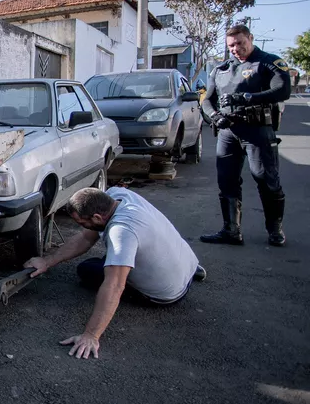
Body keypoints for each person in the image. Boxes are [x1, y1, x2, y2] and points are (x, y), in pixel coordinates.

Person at [25, 187, 205, 360]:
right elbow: (86, 237)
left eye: (82, 223)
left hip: (166, 294)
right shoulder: (118, 195)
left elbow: (115, 286)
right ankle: (179, 268)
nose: (81, 227)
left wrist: (91, 335)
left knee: (89, 268)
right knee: (115, 254)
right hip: (186, 268)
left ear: (96, 216)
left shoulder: (122, 232)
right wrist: (47, 261)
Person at [200, 23, 291, 247]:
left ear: (250, 38)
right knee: (227, 182)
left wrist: (247, 97)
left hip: (257, 130)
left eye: (240, 43)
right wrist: (214, 117)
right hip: (228, 132)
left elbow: (283, 90)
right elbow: (207, 100)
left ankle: (275, 230)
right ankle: (231, 230)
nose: (235, 48)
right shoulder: (221, 70)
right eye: (231, 45)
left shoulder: (268, 63)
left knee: (266, 179)